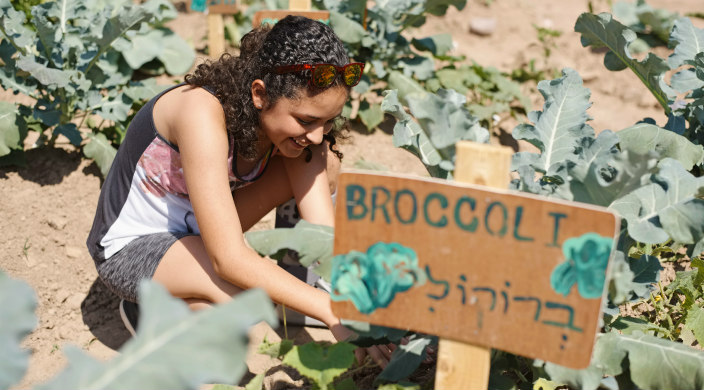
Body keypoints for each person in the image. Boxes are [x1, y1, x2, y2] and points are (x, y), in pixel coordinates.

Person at [86, 15, 394, 366]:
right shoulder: (199, 112)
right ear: (259, 94)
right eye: (307, 120)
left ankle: (195, 304)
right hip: (133, 246)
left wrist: (358, 302)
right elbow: (228, 258)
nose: (317, 134)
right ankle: (150, 309)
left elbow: (327, 238)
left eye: (327, 120)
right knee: (246, 306)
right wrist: (328, 310)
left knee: (325, 165)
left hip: (196, 229)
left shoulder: (299, 136)